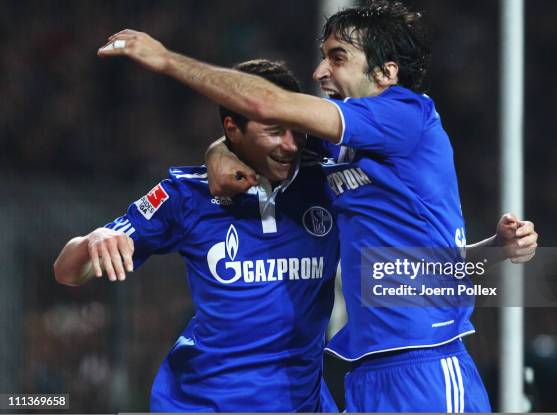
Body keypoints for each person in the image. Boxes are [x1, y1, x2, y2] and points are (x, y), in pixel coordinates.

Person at [95, 1, 538, 411]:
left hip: (428, 363)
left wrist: (167, 60)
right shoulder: (338, 149)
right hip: (366, 372)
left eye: (338, 58)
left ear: (385, 73)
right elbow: (261, 136)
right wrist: (221, 152)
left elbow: (266, 103)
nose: (321, 71)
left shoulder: (407, 116)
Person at [54, 60, 341, 412]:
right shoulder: (186, 196)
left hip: (301, 405)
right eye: (273, 130)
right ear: (232, 129)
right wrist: (92, 241)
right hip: (202, 403)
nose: (291, 144)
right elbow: (67, 272)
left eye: (295, 128)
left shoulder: (329, 181)